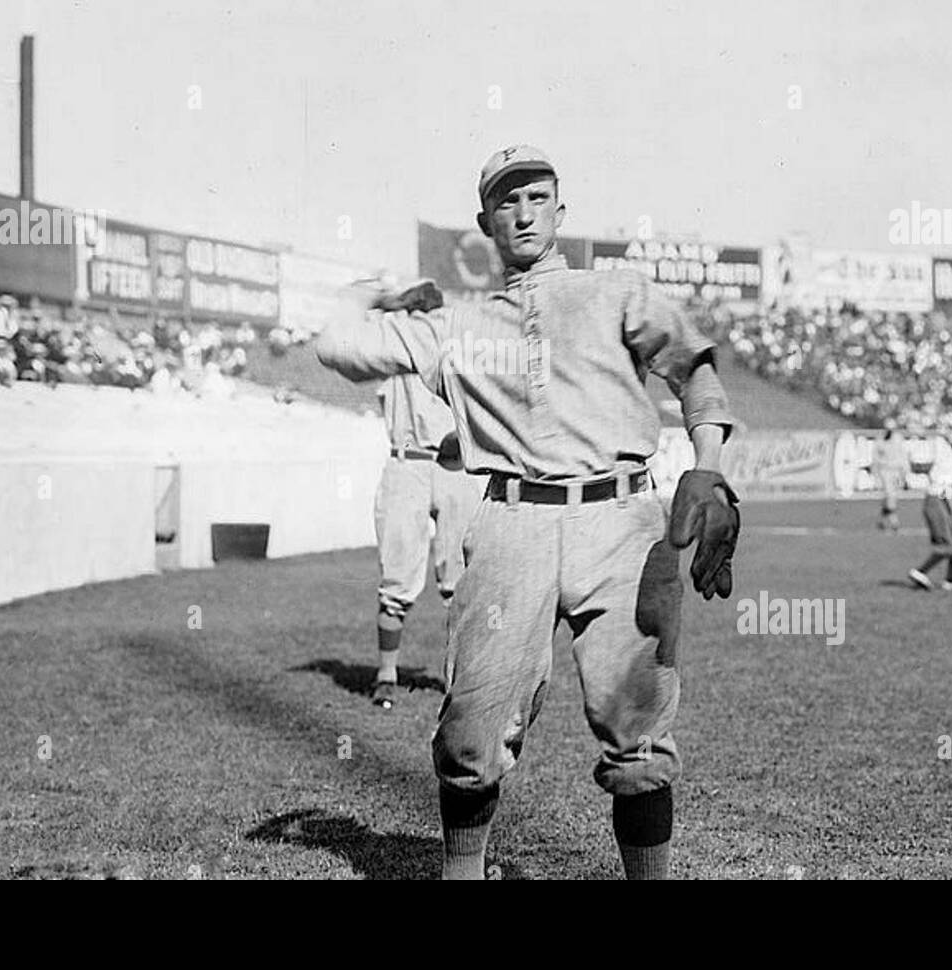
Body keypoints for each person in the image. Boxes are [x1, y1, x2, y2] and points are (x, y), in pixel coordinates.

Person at [315, 144, 740, 880]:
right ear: (485, 221)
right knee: (471, 733)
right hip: (512, 522)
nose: (522, 212)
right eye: (507, 201)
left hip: (621, 518)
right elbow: (337, 344)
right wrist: (371, 293)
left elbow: (693, 368)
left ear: (560, 212)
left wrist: (709, 472)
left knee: (637, 736)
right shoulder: (458, 323)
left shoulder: (615, 292)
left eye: (536, 197)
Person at [366, 357, 485, 709]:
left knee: (462, 581)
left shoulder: (463, 345)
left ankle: (461, 679)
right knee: (397, 575)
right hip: (408, 463)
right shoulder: (398, 344)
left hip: (456, 466)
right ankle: (386, 674)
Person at [908, 451, 952, 591]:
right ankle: (920, 572)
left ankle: (951, 580)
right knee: (947, 544)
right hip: (937, 502)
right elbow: (943, 490)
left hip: (940, 501)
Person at [871, 423, 909, 531]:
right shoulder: (880, 440)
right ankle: (894, 521)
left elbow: (903, 457)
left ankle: (881, 520)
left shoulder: (898, 439)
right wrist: (876, 473)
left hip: (896, 471)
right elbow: (875, 457)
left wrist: (904, 474)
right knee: (890, 495)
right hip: (885, 470)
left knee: (891, 497)